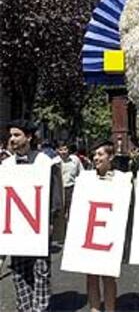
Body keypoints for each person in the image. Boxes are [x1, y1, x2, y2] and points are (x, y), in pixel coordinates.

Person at [2, 119, 63, 312]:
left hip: (39, 227)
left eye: (16, 135)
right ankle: (25, 307)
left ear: (28, 137)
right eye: (11, 135)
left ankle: (40, 308)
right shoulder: (5, 165)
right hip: (16, 228)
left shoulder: (45, 162)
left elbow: (55, 193)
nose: (12, 139)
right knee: (19, 271)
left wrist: (52, 219)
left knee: (40, 271)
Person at [85, 140, 121, 312]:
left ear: (110, 156)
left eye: (100, 154)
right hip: (90, 234)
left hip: (109, 234)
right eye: (94, 155)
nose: (96, 158)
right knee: (91, 276)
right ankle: (94, 309)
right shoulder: (86, 178)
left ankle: (110, 309)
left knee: (108, 277)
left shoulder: (120, 180)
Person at [53, 141, 83, 221]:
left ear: (68, 150)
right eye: (61, 150)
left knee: (72, 209)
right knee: (60, 211)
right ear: (57, 151)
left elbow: (81, 173)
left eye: (65, 149)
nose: (63, 152)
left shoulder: (75, 160)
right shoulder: (54, 162)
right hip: (59, 189)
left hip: (71, 187)